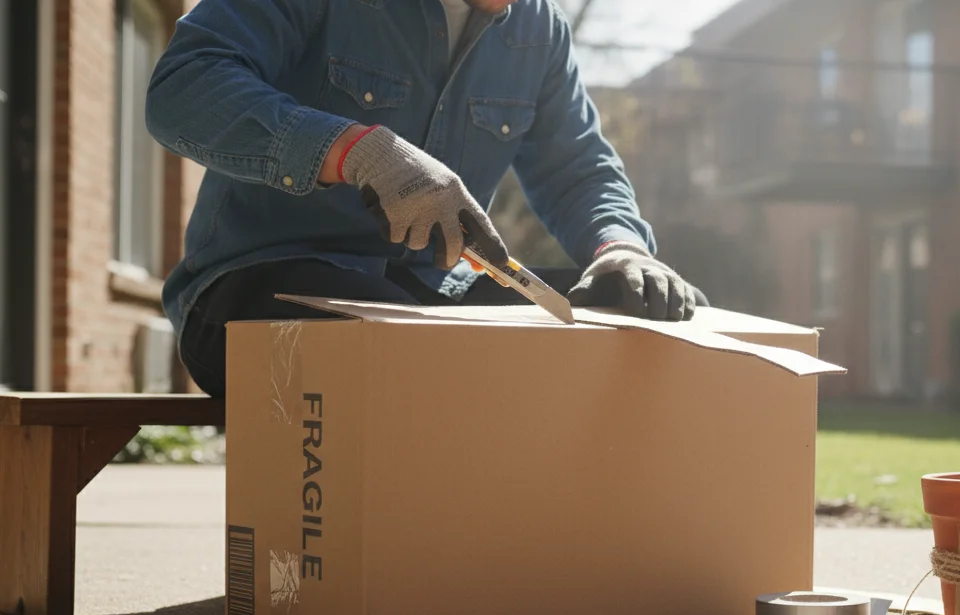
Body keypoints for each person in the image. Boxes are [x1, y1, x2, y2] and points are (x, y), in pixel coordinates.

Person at [145, 0, 704, 397]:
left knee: (619, 328)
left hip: (428, 297)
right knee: (411, 358)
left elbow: (577, 168)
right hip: (251, 290)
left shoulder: (540, 29)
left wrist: (620, 246)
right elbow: (183, 90)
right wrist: (360, 152)